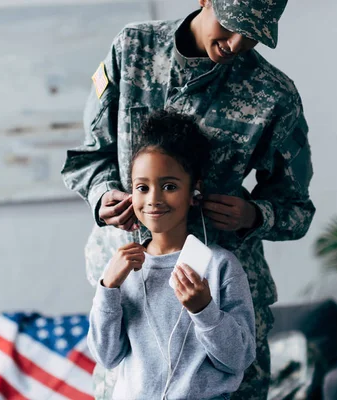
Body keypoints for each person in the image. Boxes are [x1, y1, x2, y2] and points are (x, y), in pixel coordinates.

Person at [61, 0, 315, 398]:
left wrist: (254, 214)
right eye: (231, 24)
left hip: (223, 298)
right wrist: (102, 194)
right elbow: (89, 156)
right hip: (134, 300)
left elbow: (297, 208)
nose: (235, 42)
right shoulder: (132, 50)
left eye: (252, 34)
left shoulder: (273, 95)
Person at [87, 111, 256, 400]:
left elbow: (239, 358)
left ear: (194, 192)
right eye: (142, 187)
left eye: (169, 186)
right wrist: (108, 289)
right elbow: (106, 356)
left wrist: (205, 310)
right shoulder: (122, 269)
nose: (153, 198)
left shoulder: (219, 266)